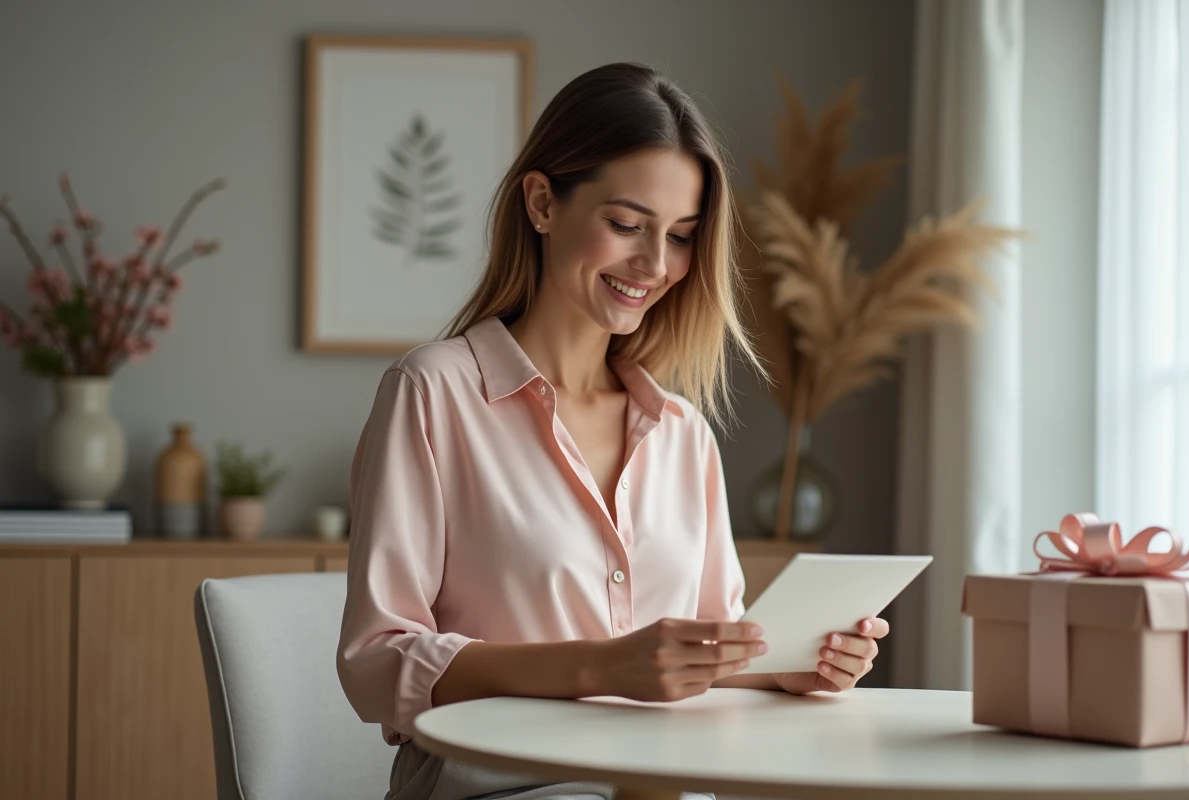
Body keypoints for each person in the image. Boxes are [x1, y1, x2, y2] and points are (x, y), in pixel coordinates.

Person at [336, 62, 890, 800]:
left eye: (681, 236)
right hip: (501, 789)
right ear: (542, 203)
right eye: (627, 225)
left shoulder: (682, 433)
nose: (655, 265)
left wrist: (786, 668)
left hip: (665, 783)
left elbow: (706, 654)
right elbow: (376, 664)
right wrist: (602, 666)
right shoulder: (432, 392)